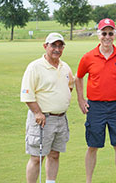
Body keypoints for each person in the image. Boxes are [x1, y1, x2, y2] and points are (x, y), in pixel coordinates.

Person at [75, 18, 116, 183]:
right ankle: (88, 180)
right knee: (92, 146)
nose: (107, 37)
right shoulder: (88, 57)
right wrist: (81, 99)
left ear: (114, 34)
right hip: (95, 107)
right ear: (98, 34)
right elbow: (78, 78)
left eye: (110, 33)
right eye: (104, 33)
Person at [20, 33, 74, 183]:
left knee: (55, 155)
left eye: (60, 46)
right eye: (53, 45)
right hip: (42, 119)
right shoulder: (35, 67)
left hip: (61, 118)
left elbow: (70, 86)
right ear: (45, 46)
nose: (57, 49)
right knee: (37, 157)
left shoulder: (65, 67)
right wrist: (37, 112)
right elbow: (27, 93)